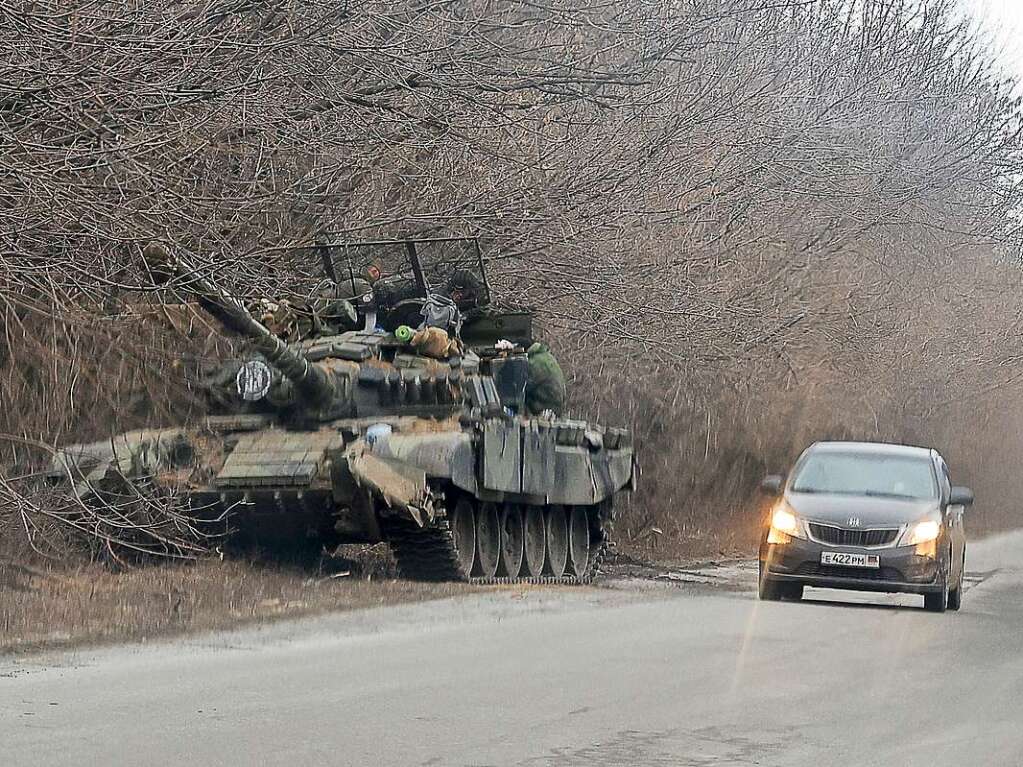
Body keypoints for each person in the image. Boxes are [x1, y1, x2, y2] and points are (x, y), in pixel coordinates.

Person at [525, 340, 566, 416]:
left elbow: (526, 386)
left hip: (545, 404)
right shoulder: (547, 357)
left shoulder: (534, 361)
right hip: (557, 404)